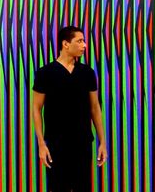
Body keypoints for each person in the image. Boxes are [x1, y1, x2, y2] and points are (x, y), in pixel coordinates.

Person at [32, 26, 107, 192]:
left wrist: (102, 142)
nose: (84, 45)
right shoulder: (45, 73)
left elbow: (95, 107)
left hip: (82, 143)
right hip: (56, 144)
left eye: (84, 41)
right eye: (79, 41)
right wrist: (41, 144)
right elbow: (36, 109)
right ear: (66, 44)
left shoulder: (87, 73)